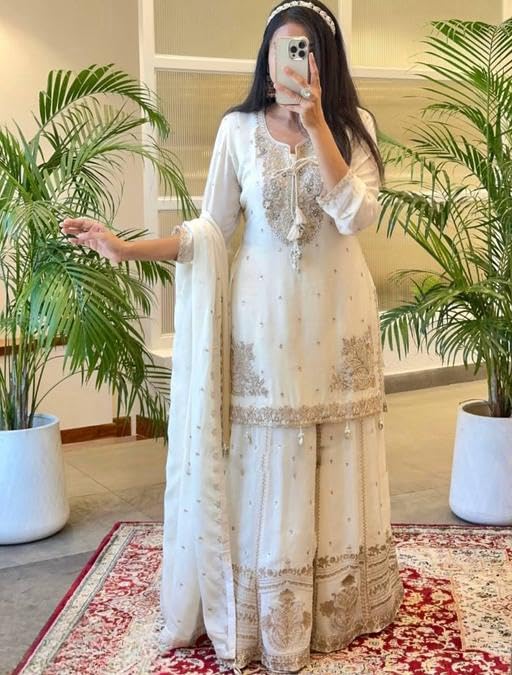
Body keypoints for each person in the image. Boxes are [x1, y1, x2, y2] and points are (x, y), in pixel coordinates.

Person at [61, 1, 404, 672]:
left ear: (325, 59)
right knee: (267, 456)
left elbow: (356, 216)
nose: (292, 62)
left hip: (340, 323)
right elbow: (210, 232)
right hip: (265, 326)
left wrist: (317, 127)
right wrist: (126, 248)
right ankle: (271, 612)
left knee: (338, 449)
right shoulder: (237, 130)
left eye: (305, 49)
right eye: (282, 48)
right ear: (265, 57)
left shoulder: (353, 127)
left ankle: (338, 605)